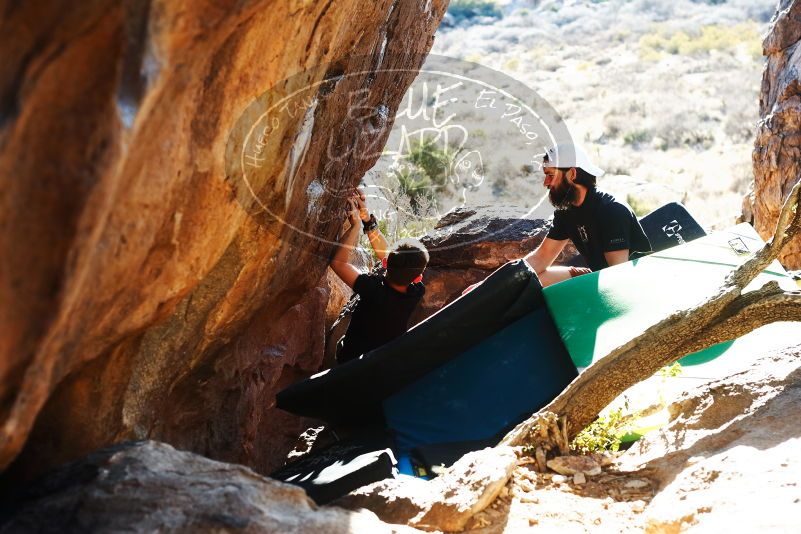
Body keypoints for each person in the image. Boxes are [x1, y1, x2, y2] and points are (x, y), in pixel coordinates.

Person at [524, 144, 651, 286]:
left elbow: (618, 276)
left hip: (629, 283)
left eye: (550, 175)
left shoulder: (611, 211)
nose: (545, 182)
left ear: (572, 174)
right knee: (531, 282)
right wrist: (508, 278)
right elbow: (541, 257)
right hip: (599, 275)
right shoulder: (566, 211)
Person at [329, 189, 429, 364]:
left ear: (385, 264)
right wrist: (366, 218)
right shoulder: (416, 292)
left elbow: (338, 263)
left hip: (350, 362)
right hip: (381, 363)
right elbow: (387, 255)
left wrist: (356, 226)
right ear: (417, 277)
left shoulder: (373, 289)